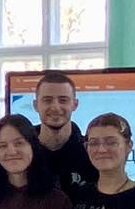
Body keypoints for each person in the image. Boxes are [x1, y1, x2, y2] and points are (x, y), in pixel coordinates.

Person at [32, 70, 97, 198]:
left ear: (75, 104)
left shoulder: (91, 152)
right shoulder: (23, 152)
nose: (55, 107)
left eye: (63, 100)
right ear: (35, 105)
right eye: (47, 100)